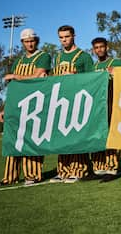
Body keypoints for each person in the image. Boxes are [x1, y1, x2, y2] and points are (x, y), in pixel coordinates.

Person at [0, 28, 51, 187]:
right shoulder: (19, 61)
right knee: (13, 139)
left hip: (35, 104)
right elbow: (13, 88)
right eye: (26, 41)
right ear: (22, 43)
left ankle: (32, 175)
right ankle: (9, 177)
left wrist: (16, 76)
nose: (30, 43)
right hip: (18, 105)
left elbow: (38, 76)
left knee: (32, 140)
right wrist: (5, 108)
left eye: (32, 40)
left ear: (36, 41)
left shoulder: (43, 56)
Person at [50, 25, 94, 184]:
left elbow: (91, 80)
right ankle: (63, 171)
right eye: (61, 37)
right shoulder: (58, 57)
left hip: (77, 102)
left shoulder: (84, 56)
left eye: (66, 37)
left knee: (76, 135)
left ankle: (79, 169)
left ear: (74, 36)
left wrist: (75, 76)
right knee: (62, 136)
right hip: (61, 102)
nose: (64, 40)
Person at [90, 37, 121, 181]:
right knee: (98, 135)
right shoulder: (93, 67)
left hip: (112, 102)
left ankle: (112, 167)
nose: (99, 50)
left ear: (107, 47)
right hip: (98, 106)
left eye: (101, 47)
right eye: (96, 47)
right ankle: (99, 167)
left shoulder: (115, 62)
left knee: (111, 134)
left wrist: (116, 73)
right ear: (93, 50)